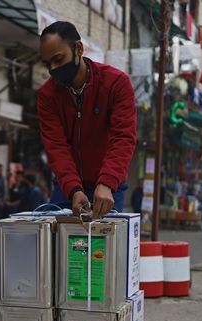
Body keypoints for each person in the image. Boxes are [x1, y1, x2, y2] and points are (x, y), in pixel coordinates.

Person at [37, 21, 137, 218]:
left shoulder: (117, 84)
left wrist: (107, 183)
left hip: (110, 186)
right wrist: (74, 189)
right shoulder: (47, 96)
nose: (53, 69)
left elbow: (123, 138)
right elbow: (56, 147)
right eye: (48, 64)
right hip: (67, 187)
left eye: (58, 59)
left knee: (103, 247)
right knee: (58, 246)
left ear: (78, 48)